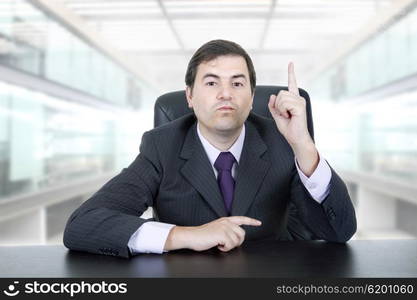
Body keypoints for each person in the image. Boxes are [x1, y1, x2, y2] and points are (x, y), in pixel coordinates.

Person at [63, 39, 356, 258]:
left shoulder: (282, 141)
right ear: (190, 96)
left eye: (238, 83)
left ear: (252, 96)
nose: (226, 93)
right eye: (212, 82)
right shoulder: (161, 147)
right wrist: (185, 235)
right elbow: (82, 225)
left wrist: (303, 145)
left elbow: (340, 231)